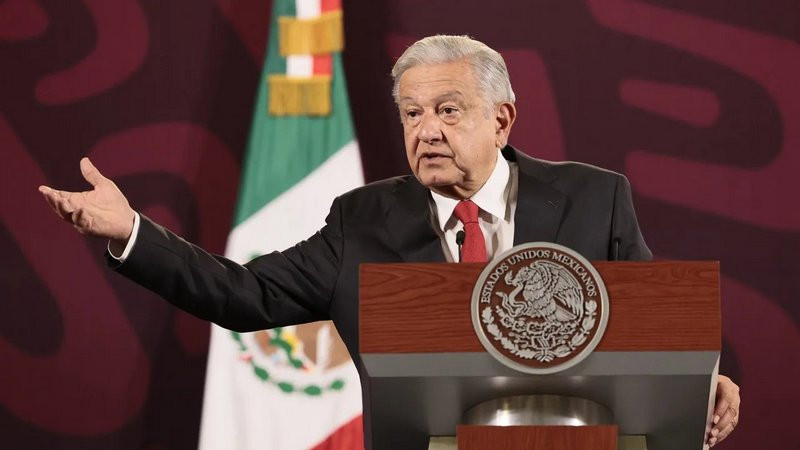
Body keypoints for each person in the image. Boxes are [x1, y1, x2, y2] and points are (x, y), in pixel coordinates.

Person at [39, 35, 739, 447]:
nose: (425, 130)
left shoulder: (594, 198)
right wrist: (132, 232)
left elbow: (652, 331)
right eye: (411, 113)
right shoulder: (363, 221)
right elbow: (242, 295)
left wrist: (704, 381)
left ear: (501, 119)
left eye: (448, 110)